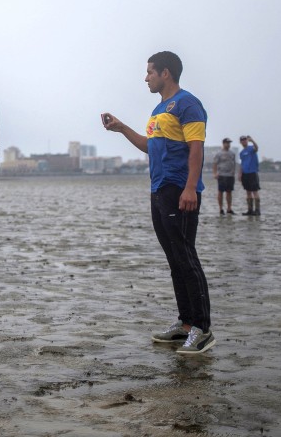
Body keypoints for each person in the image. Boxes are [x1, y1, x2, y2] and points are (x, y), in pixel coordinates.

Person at [103, 51, 215, 355]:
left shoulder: (187, 103)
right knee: (175, 259)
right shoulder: (158, 110)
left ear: (165, 73)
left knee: (186, 257)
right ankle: (186, 324)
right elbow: (149, 148)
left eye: (150, 71)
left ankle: (203, 329)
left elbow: (196, 149)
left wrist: (191, 187)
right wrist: (122, 128)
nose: (146, 77)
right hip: (159, 189)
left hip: (180, 189)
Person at [212, 138, 236, 215]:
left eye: (229, 143)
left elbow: (234, 163)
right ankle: (221, 208)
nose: (228, 144)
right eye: (227, 143)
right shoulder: (219, 153)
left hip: (230, 175)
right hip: (221, 175)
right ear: (223, 143)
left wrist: (233, 172)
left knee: (229, 192)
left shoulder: (232, 153)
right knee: (220, 192)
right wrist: (215, 173)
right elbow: (215, 164)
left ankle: (229, 208)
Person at [239, 135, 261, 216]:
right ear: (240, 142)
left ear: (247, 141)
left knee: (255, 191)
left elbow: (257, 148)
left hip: (252, 172)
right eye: (242, 140)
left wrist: (252, 140)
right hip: (245, 173)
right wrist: (240, 173)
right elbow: (242, 163)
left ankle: (257, 210)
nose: (244, 141)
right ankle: (250, 210)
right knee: (248, 192)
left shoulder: (251, 148)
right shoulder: (241, 153)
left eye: (245, 140)